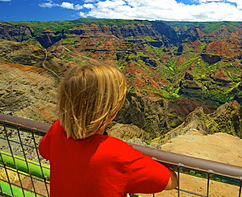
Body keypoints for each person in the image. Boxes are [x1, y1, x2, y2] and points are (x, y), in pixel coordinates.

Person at [39, 63, 177, 197]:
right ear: (110, 110)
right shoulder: (118, 154)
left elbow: (44, 151)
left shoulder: (57, 129)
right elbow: (170, 181)